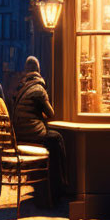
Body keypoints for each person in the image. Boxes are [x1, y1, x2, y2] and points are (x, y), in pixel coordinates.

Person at [12, 56, 67, 205]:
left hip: (20, 133)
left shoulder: (22, 86)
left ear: (26, 71)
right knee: (57, 139)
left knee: (54, 138)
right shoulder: (38, 89)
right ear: (39, 71)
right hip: (33, 133)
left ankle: (53, 185)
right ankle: (59, 186)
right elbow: (51, 114)